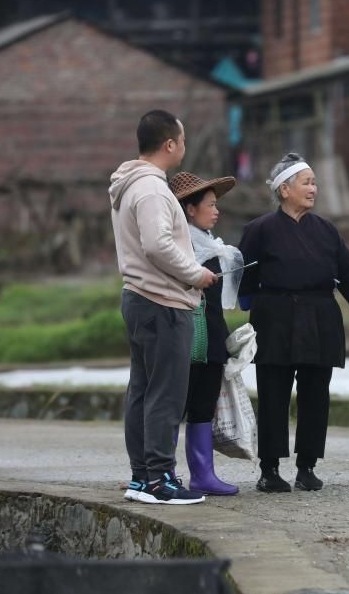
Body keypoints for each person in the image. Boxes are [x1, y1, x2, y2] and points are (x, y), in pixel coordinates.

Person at [238, 152, 349, 493]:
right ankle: (269, 469)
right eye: (307, 182)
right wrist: (248, 306)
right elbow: (244, 277)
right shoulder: (258, 230)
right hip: (274, 318)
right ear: (284, 190)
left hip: (320, 316)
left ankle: (307, 466)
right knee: (273, 394)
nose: (314, 188)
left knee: (315, 394)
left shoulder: (326, 231)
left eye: (314, 182)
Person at [109, 110, 217, 505]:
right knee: (165, 393)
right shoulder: (152, 189)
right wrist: (196, 274)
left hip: (138, 297)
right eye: (182, 140)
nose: (184, 147)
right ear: (170, 144)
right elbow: (157, 245)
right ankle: (159, 479)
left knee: (142, 389)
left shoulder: (128, 183)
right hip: (162, 300)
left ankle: (142, 477)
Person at [169, 171, 241, 496]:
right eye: (210, 205)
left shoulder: (214, 247)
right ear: (189, 209)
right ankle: (162, 472)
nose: (216, 211)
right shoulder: (176, 249)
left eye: (216, 204)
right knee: (173, 405)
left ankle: (203, 474)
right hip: (184, 337)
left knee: (203, 406)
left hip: (211, 338)